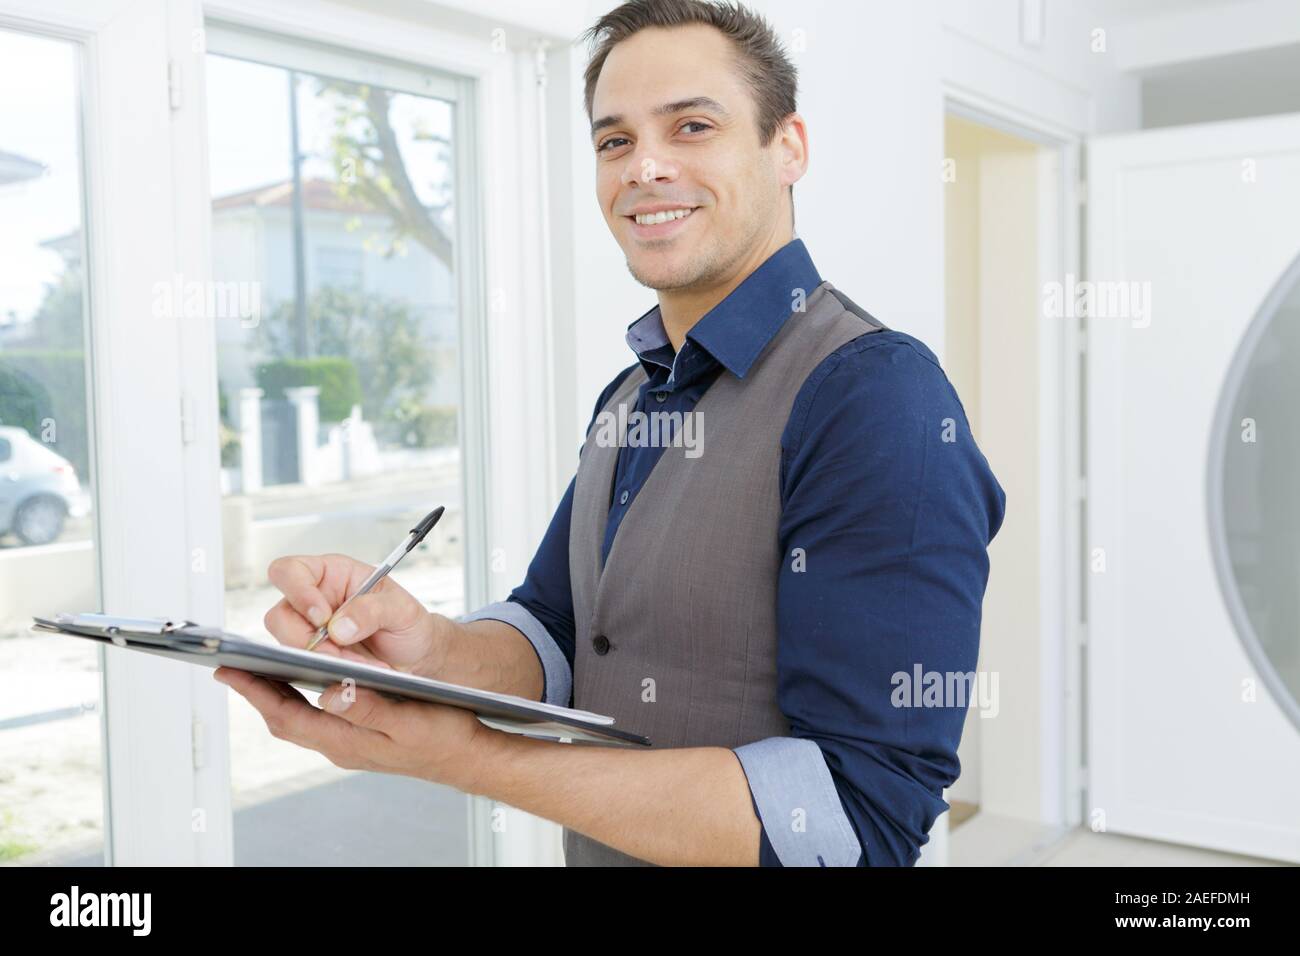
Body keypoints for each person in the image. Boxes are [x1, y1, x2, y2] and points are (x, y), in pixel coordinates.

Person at [215, 0, 1006, 867]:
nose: (645, 167)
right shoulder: (632, 391)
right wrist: (426, 646)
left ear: (789, 148)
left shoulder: (874, 396)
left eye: (692, 126)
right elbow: (561, 629)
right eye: (614, 141)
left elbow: (857, 814)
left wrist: (473, 760)